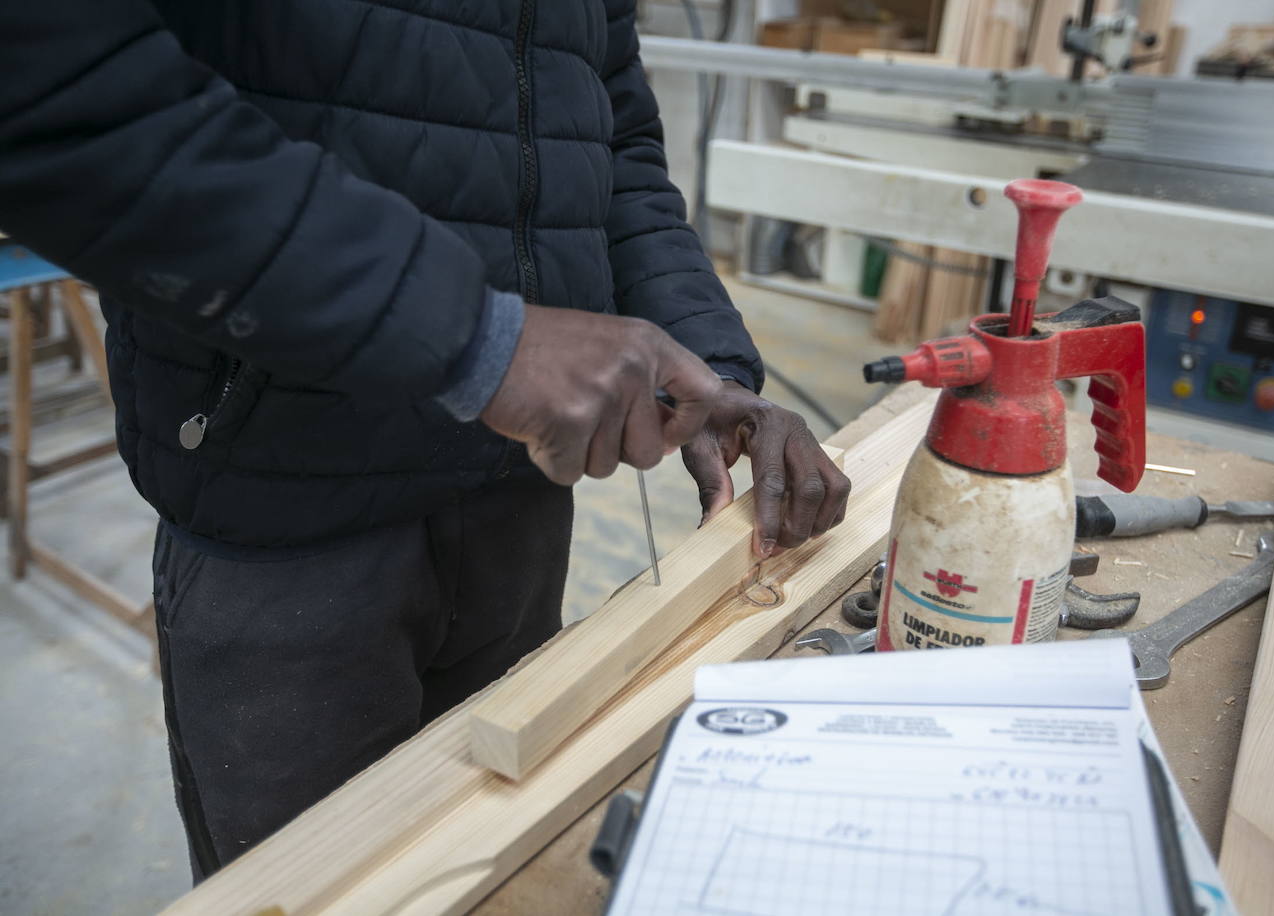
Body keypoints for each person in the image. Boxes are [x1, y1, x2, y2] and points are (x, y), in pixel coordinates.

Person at [0, 0, 850, 881]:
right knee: (319, 889)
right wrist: (481, 341)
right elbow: (71, 104)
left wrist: (710, 368)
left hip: (517, 494)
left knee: (494, 863)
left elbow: (618, 152)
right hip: (289, 507)